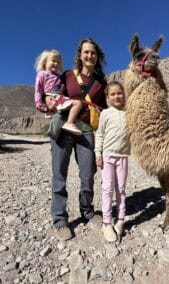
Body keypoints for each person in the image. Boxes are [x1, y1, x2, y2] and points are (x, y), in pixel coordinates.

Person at [51, 38, 107, 240]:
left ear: (97, 56)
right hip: (65, 127)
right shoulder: (67, 76)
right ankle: (60, 219)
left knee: (87, 174)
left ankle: (87, 211)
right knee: (59, 174)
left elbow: (105, 109)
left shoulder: (101, 83)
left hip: (86, 131)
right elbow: (54, 95)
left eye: (93, 52)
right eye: (86, 52)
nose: (89, 56)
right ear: (80, 55)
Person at [95, 81, 130, 242]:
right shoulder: (105, 114)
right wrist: (98, 152)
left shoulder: (129, 113)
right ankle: (107, 222)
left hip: (123, 156)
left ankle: (121, 219)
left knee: (121, 189)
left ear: (124, 94)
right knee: (107, 189)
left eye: (119, 93)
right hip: (108, 156)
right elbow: (100, 134)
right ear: (108, 98)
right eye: (113, 94)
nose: (117, 96)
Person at [34, 49, 82, 135]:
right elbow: (38, 90)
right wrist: (38, 103)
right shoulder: (42, 74)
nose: (56, 64)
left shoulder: (59, 76)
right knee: (78, 103)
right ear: (45, 62)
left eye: (58, 62)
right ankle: (69, 123)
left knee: (60, 116)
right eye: (53, 61)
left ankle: (54, 131)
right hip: (54, 98)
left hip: (59, 97)